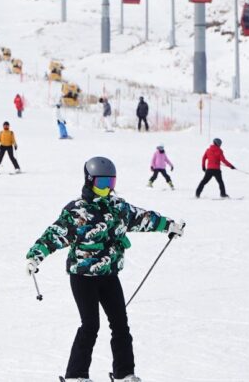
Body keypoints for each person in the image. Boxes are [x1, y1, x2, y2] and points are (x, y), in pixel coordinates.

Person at [25, 156, 185, 382]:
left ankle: (124, 374)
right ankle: (76, 375)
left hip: (109, 275)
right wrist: (34, 256)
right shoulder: (76, 212)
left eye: (111, 183)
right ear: (89, 181)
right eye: (102, 183)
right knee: (90, 325)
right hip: (82, 276)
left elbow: (143, 218)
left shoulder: (118, 208)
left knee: (120, 324)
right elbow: (54, 235)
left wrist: (169, 225)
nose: (107, 188)